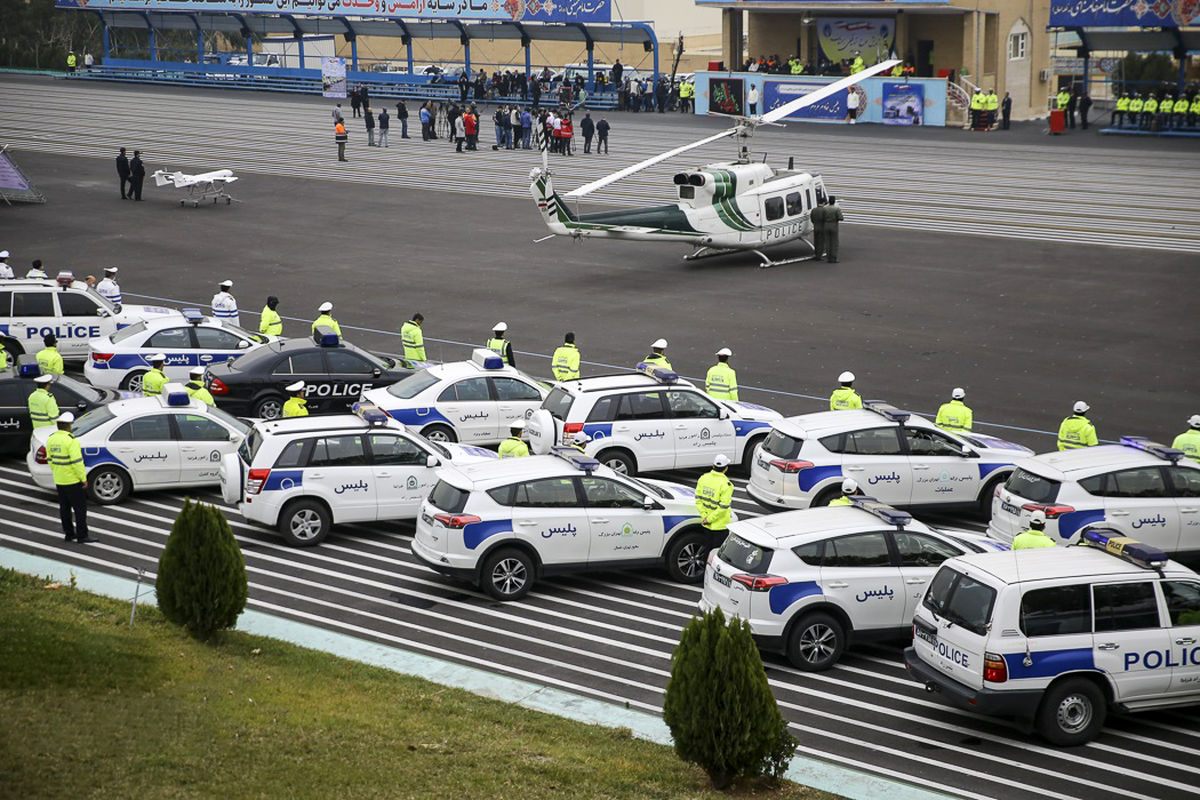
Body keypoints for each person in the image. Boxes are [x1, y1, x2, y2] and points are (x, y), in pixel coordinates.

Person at [48, 412, 94, 543]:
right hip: (73, 480)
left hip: (59, 479)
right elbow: (77, 462)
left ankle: (69, 533)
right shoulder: (71, 440)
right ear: (68, 426)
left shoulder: (51, 439)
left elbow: (50, 460)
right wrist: (83, 479)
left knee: (64, 508)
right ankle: (82, 535)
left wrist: (57, 471)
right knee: (80, 509)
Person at [695, 454, 734, 540]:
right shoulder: (726, 484)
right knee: (716, 551)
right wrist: (709, 519)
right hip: (720, 526)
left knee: (707, 549)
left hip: (705, 524)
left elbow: (698, 500)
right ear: (726, 468)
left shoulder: (703, 478)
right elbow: (723, 508)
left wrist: (705, 517)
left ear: (713, 466)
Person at [823, 195, 844, 262]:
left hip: (826, 225)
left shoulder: (825, 208)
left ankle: (828, 258)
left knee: (827, 242)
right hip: (834, 225)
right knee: (834, 242)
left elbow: (822, 217)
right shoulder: (836, 209)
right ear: (834, 201)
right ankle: (834, 258)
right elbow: (841, 218)